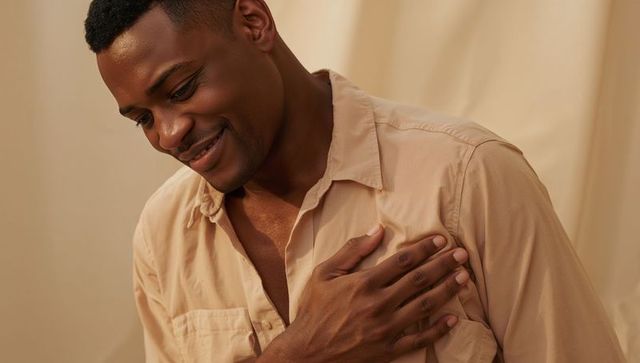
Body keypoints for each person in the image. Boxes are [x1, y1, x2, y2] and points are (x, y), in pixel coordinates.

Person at [84, 0, 625, 362]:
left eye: (181, 89)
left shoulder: (466, 176)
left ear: (253, 22)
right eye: (142, 119)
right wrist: (301, 353)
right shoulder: (163, 235)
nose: (169, 133)